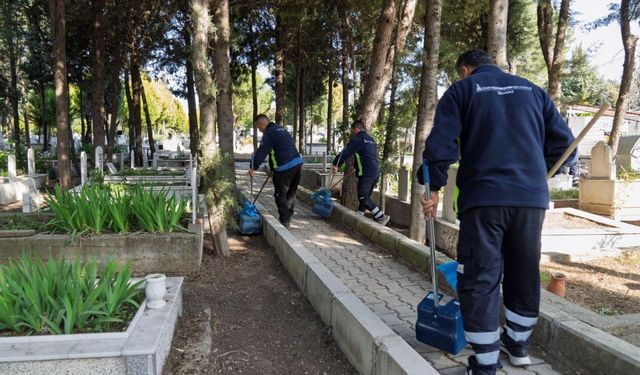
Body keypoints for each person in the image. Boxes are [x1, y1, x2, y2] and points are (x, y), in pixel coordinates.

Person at [418, 49, 575, 375]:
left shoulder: (462, 90)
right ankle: (518, 347)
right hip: (530, 201)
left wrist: (430, 185)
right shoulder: (534, 91)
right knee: (524, 271)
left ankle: (486, 362)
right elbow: (565, 148)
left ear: (465, 70)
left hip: (484, 199)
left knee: (479, 277)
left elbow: (441, 145)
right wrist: (532, 175)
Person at [249, 114, 303, 228]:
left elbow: (262, 151)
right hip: (297, 163)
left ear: (261, 124)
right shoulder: (280, 129)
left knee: (280, 194)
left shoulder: (269, 133)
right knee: (291, 193)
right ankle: (288, 216)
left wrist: (253, 167)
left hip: (284, 167)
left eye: (258, 128)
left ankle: (284, 221)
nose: (259, 131)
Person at [332, 120, 390, 225]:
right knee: (365, 196)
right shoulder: (371, 140)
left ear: (356, 129)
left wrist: (336, 164)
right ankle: (358, 218)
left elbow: (345, 153)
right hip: (375, 172)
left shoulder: (357, 139)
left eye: (353, 130)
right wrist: (357, 167)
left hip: (367, 173)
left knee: (362, 196)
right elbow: (366, 156)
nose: (353, 133)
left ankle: (381, 216)